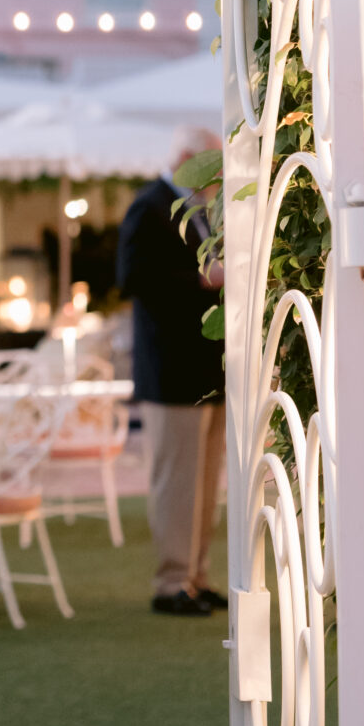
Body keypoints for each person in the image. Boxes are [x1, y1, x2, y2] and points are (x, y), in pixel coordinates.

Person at [116, 125, 227, 617]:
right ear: (186, 158)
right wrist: (203, 279)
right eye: (212, 163)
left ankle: (196, 576)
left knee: (205, 484)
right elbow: (134, 279)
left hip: (207, 373)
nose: (218, 173)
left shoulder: (200, 209)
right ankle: (171, 583)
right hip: (171, 373)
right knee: (177, 482)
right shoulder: (150, 205)